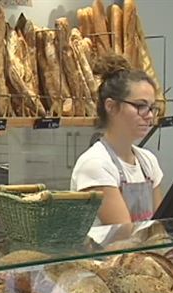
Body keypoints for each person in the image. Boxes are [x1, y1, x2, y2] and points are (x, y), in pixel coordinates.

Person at [70, 54, 164, 225]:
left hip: (141, 251)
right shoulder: (95, 164)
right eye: (140, 106)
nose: (149, 116)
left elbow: (161, 225)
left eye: (152, 108)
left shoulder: (148, 161)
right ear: (111, 107)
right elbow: (123, 234)